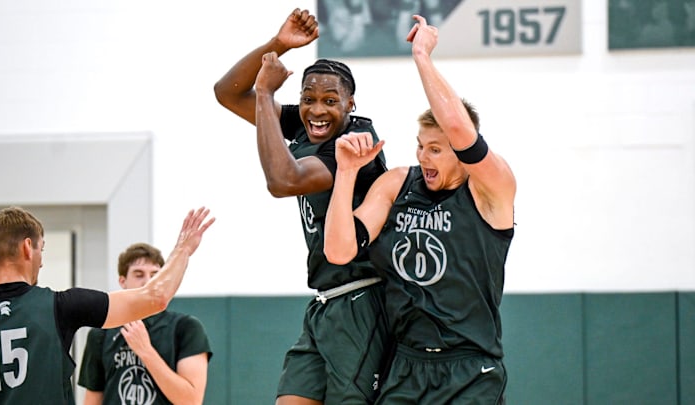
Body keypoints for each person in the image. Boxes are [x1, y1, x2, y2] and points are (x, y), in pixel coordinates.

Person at [323, 14, 516, 404]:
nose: (422, 156)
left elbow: (462, 133)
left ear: (461, 155)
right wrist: (345, 173)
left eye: (435, 148)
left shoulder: (492, 189)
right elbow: (339, 251)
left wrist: (422, 57)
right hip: (406, 366)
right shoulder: (398, 183)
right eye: (419, 145)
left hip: (470, 368)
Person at [214, 8, 390, 405]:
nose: (316, 110)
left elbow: (283, 181)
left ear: (350, 104)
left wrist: (264, 93)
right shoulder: (309, 124)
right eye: (307, 99)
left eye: (330, 100)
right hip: (325, 303)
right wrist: (278, 46)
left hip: (364, 299)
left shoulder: (355, 142)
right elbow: (226, 93)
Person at [0, 206, 214, 405]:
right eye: (42, 250)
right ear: (28, 247)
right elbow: (156, 297)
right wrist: (183, 250)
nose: (42, 262)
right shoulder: (61, 306)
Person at [78, 242, 212, 404]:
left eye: (155, 275)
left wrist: (146, 351)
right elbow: (92, 400)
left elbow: (191, 401)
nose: (148, 282)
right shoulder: (101, 334)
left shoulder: (185, 328)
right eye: (139, 274)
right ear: (122, 281)